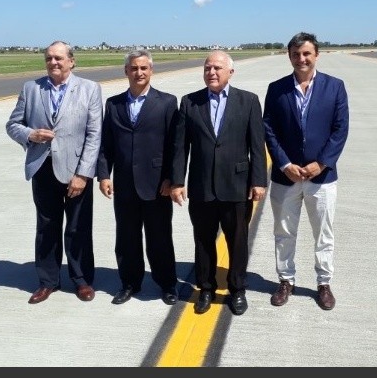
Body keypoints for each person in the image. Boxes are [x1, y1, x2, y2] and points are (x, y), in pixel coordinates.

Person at [170, 50, 267, 316]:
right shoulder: (190, 102)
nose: (211, 72)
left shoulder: (248, 101)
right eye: (207, 68)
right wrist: (178, 181)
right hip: (201, 187)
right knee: (203, 240)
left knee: (237, 240)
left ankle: (237, 289)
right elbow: (181, 148)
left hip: (237, 186)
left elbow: (257, 145)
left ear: (230, 72)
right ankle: (206, 288)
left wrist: (259, 180)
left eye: (217, 68)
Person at [6, 40, 103, 305]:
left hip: (75, 170)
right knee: (46, 226)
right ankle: (48, 281)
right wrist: (31, 135)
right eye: (49, 58)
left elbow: (95, 135)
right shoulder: (31, 88)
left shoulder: (90, 89)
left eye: (59, 58)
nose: (53, 63)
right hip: (42, 167)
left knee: (78, 227)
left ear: (72, 61)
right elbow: (13, 125)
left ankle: (82, 280)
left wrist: (83, 174)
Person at [262, 32, 349, 311]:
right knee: (284, 232)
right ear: (289, 57)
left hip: (321, 177)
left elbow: (340, 129)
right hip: (286, 177)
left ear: (316, 55)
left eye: (307, 54)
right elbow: (269, 129)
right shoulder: (276, 89)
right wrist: (285, 164)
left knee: (323, 233)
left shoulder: (335, 87)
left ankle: (324, 283)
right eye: (296, 54)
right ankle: (286, 280)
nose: (302, 59)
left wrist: (321, 163)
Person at [96, 49, 179, 306]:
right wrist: (103, 175)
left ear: (151, 71)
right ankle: (129, 283)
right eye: (134, 68)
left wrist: (171, 178)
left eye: (144, 68)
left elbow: (174, 146)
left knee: (160, 238)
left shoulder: (166, 102)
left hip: (157, 185)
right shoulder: (114, 103)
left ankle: (167, 284)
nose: (139, 73)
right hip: (124, 184)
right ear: (126, 72)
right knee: (127, 238)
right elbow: (106, 144)